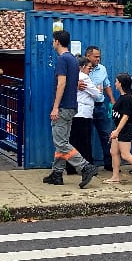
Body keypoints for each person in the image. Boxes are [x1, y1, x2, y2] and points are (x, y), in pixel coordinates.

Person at [44, 30, 97, 187]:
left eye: (53, 41)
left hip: (63, 107)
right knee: (63, 141)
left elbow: (62, 83)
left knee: (61, 142)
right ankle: (57, 173)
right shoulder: (73, 59)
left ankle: (85, 167)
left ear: (57, 42)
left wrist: (55, 107)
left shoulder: (62, 59)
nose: (53, 43)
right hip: (72, 106)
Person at [83, 46, 115, 172]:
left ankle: (109, 163)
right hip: (86, 107)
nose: (98, 59)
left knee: (107, 134)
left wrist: (112, 100)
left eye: (99, 57)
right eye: (95, 57)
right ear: (88, 56)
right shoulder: (81, 69)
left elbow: (106, 84)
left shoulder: (102, 69)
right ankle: (88, 165)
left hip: (100, 106)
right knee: (86, 136)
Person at [68, 56, 100, 175]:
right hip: (83, 113)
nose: (90, 70)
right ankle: (88, 166)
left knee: (73, 141)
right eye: (89, 68)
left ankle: (71, 167)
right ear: (82, 67)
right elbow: (96, 94)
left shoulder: (72, 77)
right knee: (84, 142)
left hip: (74, 112)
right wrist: (98, 89)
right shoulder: (83, 77)